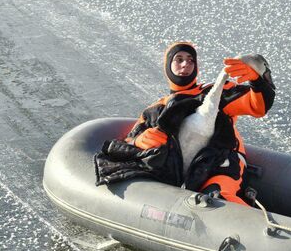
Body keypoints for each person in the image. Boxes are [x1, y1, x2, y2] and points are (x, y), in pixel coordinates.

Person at [94, 41, 275, 206]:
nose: (185, 65)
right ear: (168, 66)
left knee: (219, 197)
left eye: (190, 61)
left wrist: (258, 82)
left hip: (220, 164)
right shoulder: (156, 109)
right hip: (173, 171)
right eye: (178, 59)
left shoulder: (217, 92)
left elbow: (257, 106)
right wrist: (142, 142)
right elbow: (130, 143)